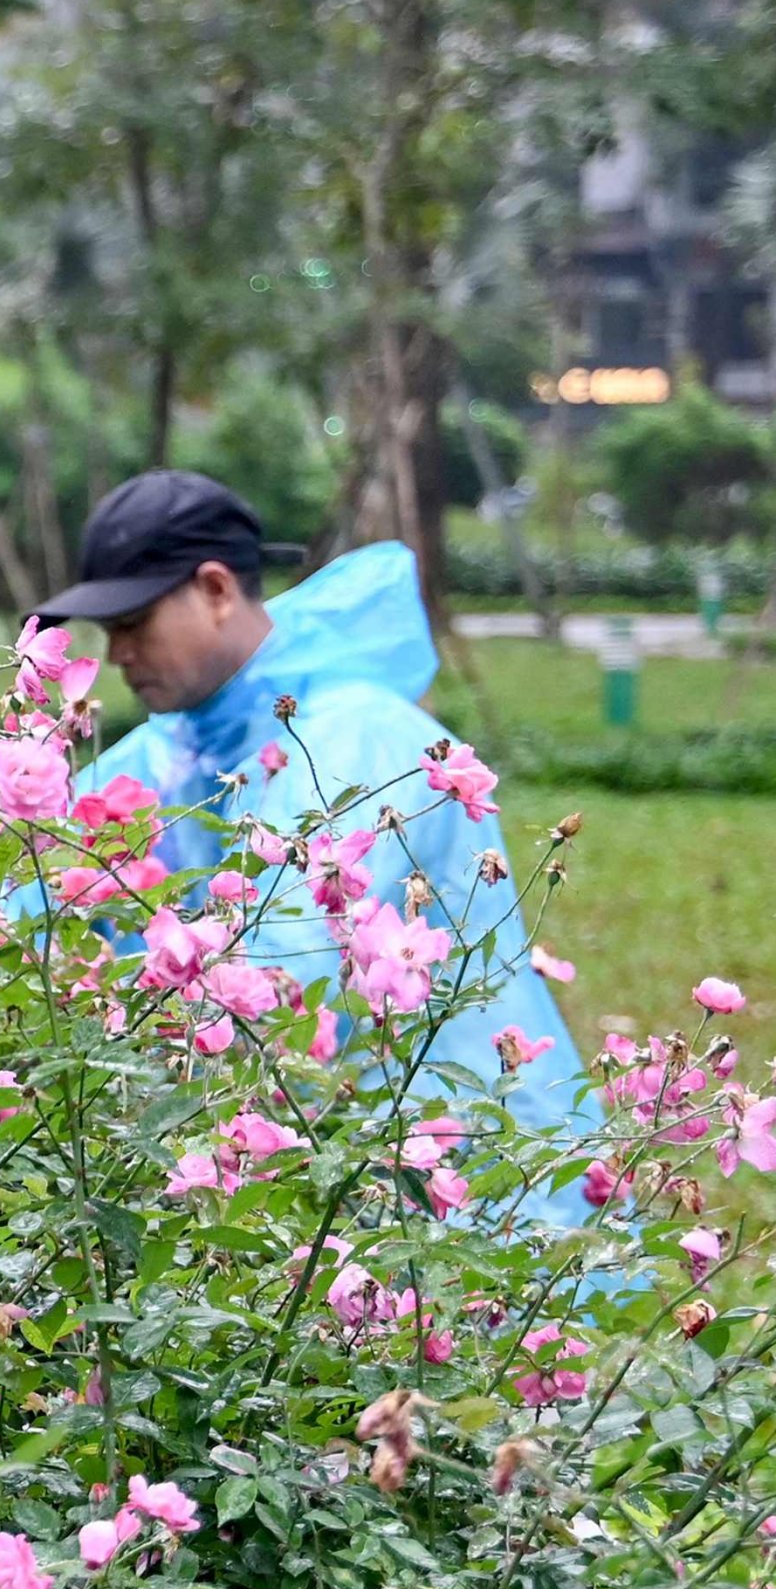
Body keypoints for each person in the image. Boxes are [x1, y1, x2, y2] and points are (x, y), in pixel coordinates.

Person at [38, 467, 590, 1185]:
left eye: (133, 624)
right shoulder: (179, 744)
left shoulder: (355, 740)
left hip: (441, 1157)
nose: (116, 656)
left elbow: (283, 975)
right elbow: (31, 888)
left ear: (214, 590)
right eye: (109, 631)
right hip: (295, 1152)